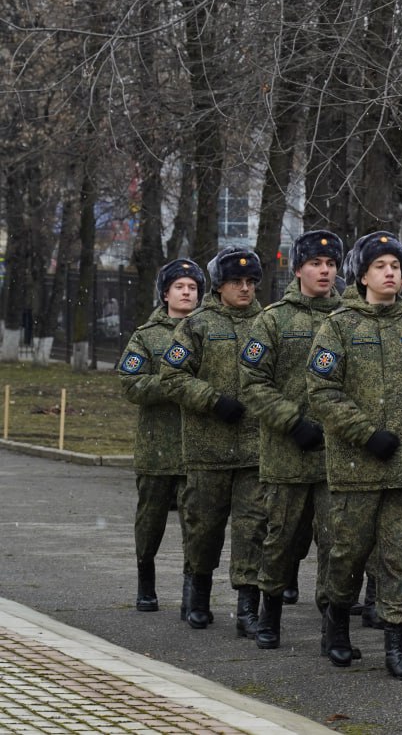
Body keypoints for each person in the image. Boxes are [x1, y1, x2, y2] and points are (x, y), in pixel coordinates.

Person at [307, 231, 402, 681]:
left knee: (400, 556)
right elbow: (322, 391)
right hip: (357, 467)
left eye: (396, 265)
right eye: (381, 266)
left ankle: (397, 643)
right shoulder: (338, 326)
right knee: (348, 553)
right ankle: (336, 624)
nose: (390, 272)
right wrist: (365, 433)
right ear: (362, 275)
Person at [238, 230, 344, 651]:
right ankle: (270, 614)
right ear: (298, 268)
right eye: (316, 264)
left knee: (337, 543)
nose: (325, 271)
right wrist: (293, 422)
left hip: (339, 456)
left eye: (331, 264)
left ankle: (333, 626)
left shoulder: (350, 318)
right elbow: (252, 383)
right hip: (287, 454)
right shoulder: (274, 319)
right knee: (280, 539)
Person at [160, 246, 266, 635]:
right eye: (236, 282)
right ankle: (197, 592)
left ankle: (247, 609)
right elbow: (172, 375)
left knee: (252, 530)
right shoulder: (197, 325)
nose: (245, 288)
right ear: (219, 286)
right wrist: (212, 400)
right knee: (203, 528)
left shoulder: (266, 323)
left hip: (255, 449)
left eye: (251, 282)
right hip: (208, 449)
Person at [119, 258, 204, 614]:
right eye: (180, 287)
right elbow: (130, 382)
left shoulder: (206, 331)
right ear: (166, 293)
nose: (187, 293)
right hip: (157, 448)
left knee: (197, 526)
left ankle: (192, 593)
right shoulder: (146, 336)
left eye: (193, 288)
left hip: (197, 448)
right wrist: (176, 385)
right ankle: (146, 584)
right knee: (150, 522)